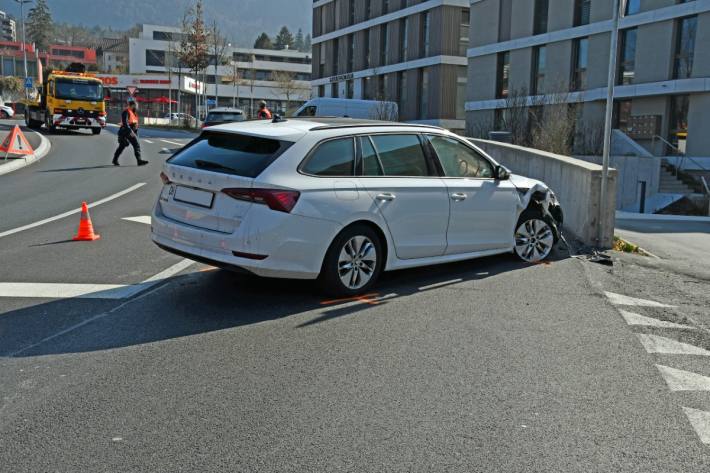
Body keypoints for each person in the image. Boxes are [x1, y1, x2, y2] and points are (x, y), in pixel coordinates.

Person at [112, 97, 148, 166]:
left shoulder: (134, 113)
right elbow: (125, 123)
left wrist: (136, 133)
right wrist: (130, 131)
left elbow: (135, 124)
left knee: (130, 145)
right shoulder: (126, 112)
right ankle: (115, 160)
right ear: (132, 105)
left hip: (131, 131)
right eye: (136, 105)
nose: (137, 106)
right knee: (128, 145)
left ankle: (138, 160)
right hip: (125, 131)